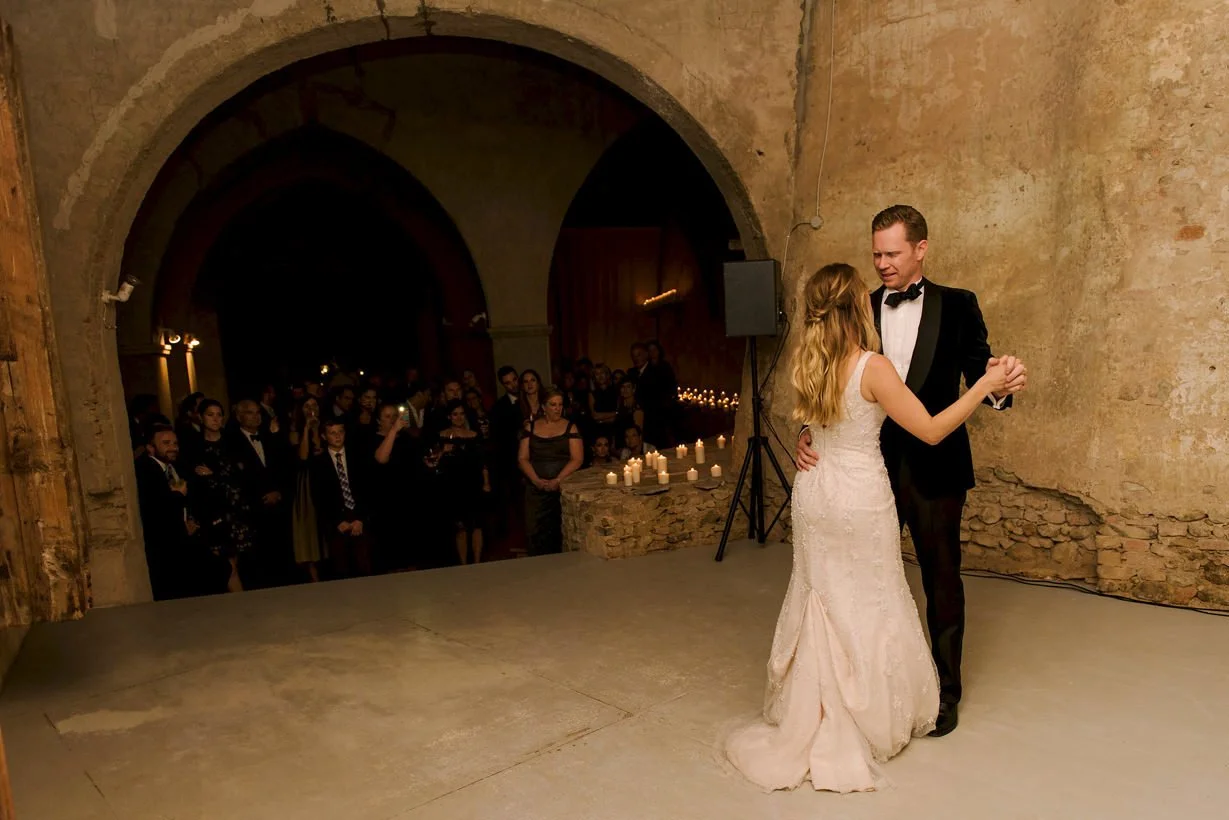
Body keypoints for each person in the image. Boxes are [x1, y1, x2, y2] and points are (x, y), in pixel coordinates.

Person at [727, 262, 1021, 793]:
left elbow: (817, 423)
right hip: (860, 495)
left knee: (821, 595)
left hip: (815, 494)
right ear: (857, 307)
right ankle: (863, 713)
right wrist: (982, 387)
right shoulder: (874, 366)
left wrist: (804, 439)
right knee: (870, 594)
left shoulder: (810, 361)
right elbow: (930, 430)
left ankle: (810, 705)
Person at [794, 206, 1027, 739]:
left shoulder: (960, 306)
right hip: (864, 473)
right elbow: (828, 383)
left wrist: (1001, 388)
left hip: (936, 465)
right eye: (876, 254)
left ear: (921, 248)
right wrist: (808, 433)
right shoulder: (857, 306)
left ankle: (943, 693)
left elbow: (983, 376)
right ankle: (860, 690)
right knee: (859, 581)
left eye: (892, 253)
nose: (882, 264)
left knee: (940, 579)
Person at [517, 388, 583, 556]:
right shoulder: (531, 427)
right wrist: (536, 480)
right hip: (535, 490)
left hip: (560, 489)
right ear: (544, 406)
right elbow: (522, 458)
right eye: (553, 404)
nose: (557, 408)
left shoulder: (570, 427)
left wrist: (558, 480)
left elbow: (577, 459)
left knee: (557, 532)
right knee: (535, 532)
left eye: (560, 405)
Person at [311, 418, 373, 578]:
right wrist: (336, 521)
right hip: (336, 520)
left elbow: (367, 489)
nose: (337, 436)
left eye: (340, 432)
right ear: (324, 436)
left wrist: (360, 518)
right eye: (332, 433)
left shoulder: (358, 456)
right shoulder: (318, 463)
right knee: (341, 567)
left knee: (364, 563)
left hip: (358, 515)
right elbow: (319, 497)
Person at [435, 399, 491, 564]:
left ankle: (478, 561)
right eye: (455, 414)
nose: (458, 417)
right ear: (449, 416)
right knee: (459, 526)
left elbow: (483, 462)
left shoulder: (474, 435)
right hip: (452, 485)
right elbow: (432, 462)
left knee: (477, 524)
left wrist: (486, 483)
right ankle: (463, 564)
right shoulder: (442, 436)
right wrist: (442, 452)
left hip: (473, 483)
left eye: (461, 414)